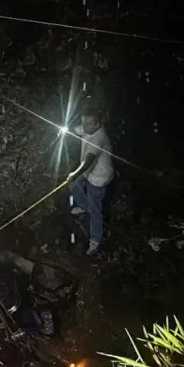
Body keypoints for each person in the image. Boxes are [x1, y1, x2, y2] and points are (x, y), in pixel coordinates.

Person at [67, 108, 114, 256]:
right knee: (74, 186)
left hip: (99, 177)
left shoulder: (100, 138)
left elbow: (88, 161)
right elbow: (75, 130)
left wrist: (74, 173)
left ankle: (96, 240)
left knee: (95, 209)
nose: (84, 128)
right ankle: (83, 205)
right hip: (88, 172)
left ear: (98, 124)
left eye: (87, 124)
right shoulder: (89, 128)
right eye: (83, 123)